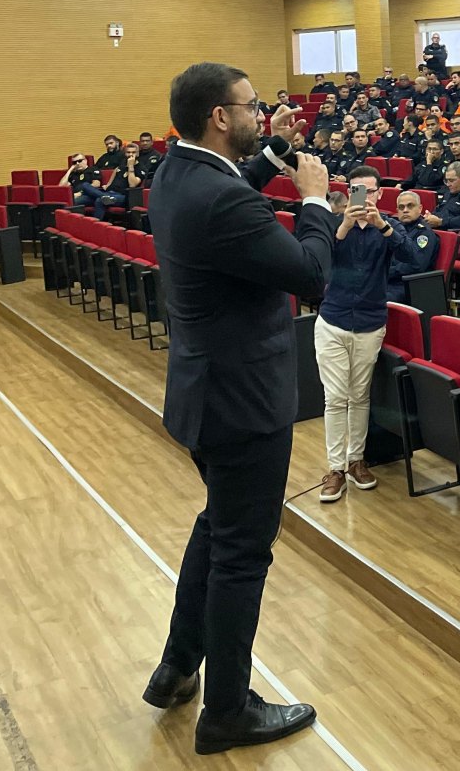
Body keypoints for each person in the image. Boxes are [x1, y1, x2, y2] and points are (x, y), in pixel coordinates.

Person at [143, 62, 329, 753]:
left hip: (203, 392)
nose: (262, 113)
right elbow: (309, 274)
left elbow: (233, 194)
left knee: (217, 526)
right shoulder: (220, 198)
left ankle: (176, 666)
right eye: (253, 107)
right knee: (242, 554)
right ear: (220, 117)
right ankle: (227, 710)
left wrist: (274, 154)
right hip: (244, 402)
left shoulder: (177, 172)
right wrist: (316, 202)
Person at [316, 165, 418, 502]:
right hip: (333, 320)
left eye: (369, 191)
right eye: (356, 190)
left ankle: (356, 460)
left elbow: (412, 257)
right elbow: (320, 261)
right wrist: (345, 225)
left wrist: (383, 227)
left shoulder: (389, 226)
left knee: (359, 396)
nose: (363, 197)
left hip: (370, 321)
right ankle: (335, 468)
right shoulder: (334, 223)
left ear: (379, 194)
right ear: (349, 193)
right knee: (335, 397)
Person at [385, 190, 440, 303]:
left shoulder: (424, 234)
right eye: (401, 207)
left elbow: (416, 265)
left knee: (374, 298)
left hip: (409, 284)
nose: (405, 210)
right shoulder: (394, 230)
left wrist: (386, 272)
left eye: (410, 206)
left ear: (420, 208)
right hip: (388, 280)